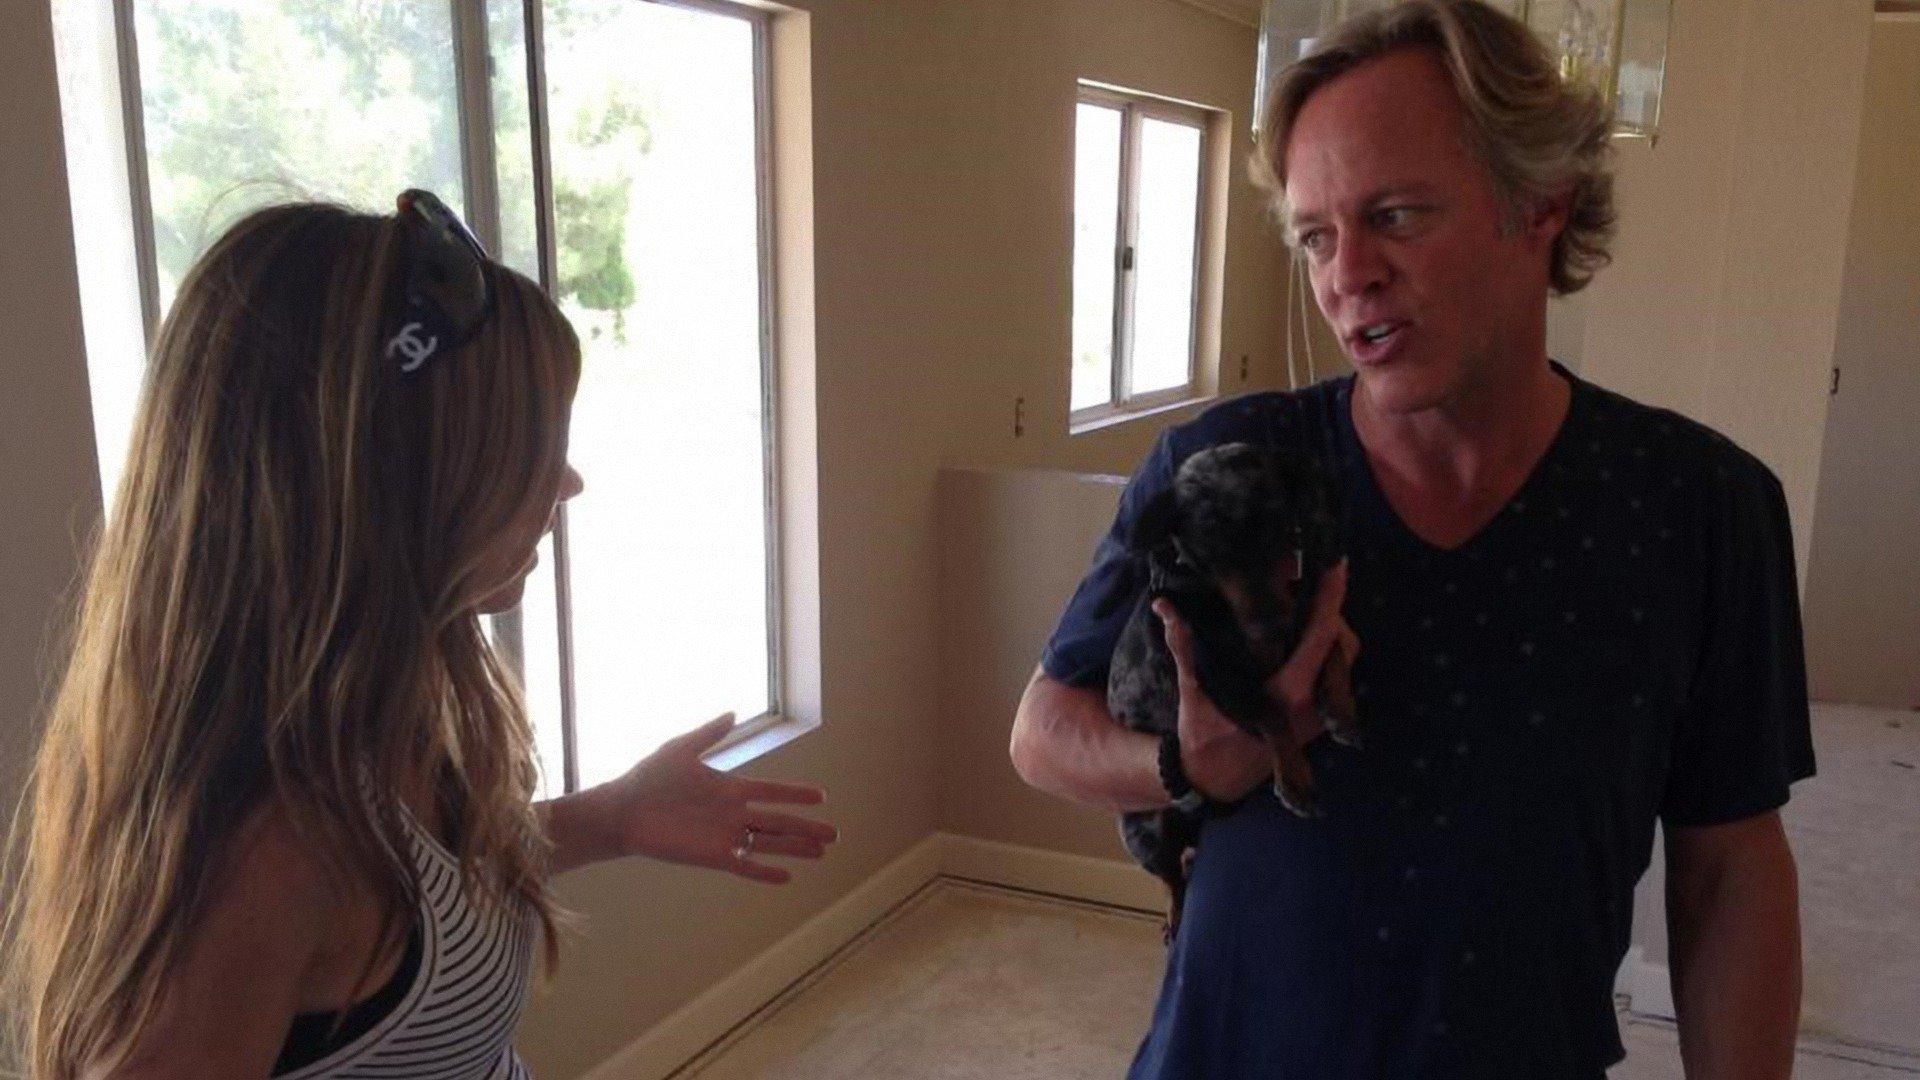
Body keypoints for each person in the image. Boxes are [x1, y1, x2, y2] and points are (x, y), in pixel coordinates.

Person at [1010, 2, 1813, 1077]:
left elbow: (1730, 870)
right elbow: (1041, 734)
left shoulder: (1701, 509)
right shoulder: (1222, 469)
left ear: (1541, 202)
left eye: (1394, 215)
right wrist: (1184, 762)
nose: (1348, 274)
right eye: (1315, 236)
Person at [1, 193, 837, 1080]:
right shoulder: (264, 855)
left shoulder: (376, 710)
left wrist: (610, 818)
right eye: (526, 449)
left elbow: (415, 898)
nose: (566, 482)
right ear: (392, 480)